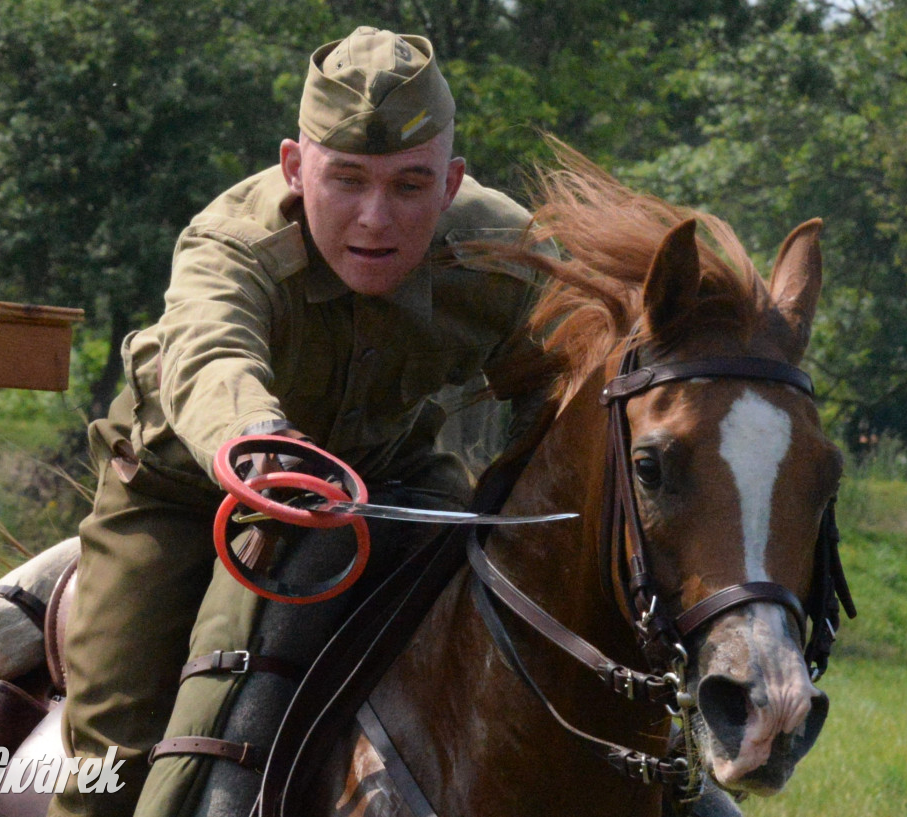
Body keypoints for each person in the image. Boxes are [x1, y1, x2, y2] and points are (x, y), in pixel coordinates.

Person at [50, 26, 550, 817]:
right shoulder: (233, 243)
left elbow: (567, 381)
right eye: (346, 179)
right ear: (294, 166)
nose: (375, 218)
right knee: (111, 750)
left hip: (390, 479)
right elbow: (212, 357)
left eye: (410, 186)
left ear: (452, 183)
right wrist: (258, 444)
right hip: (188, 493)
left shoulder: (505, 254)